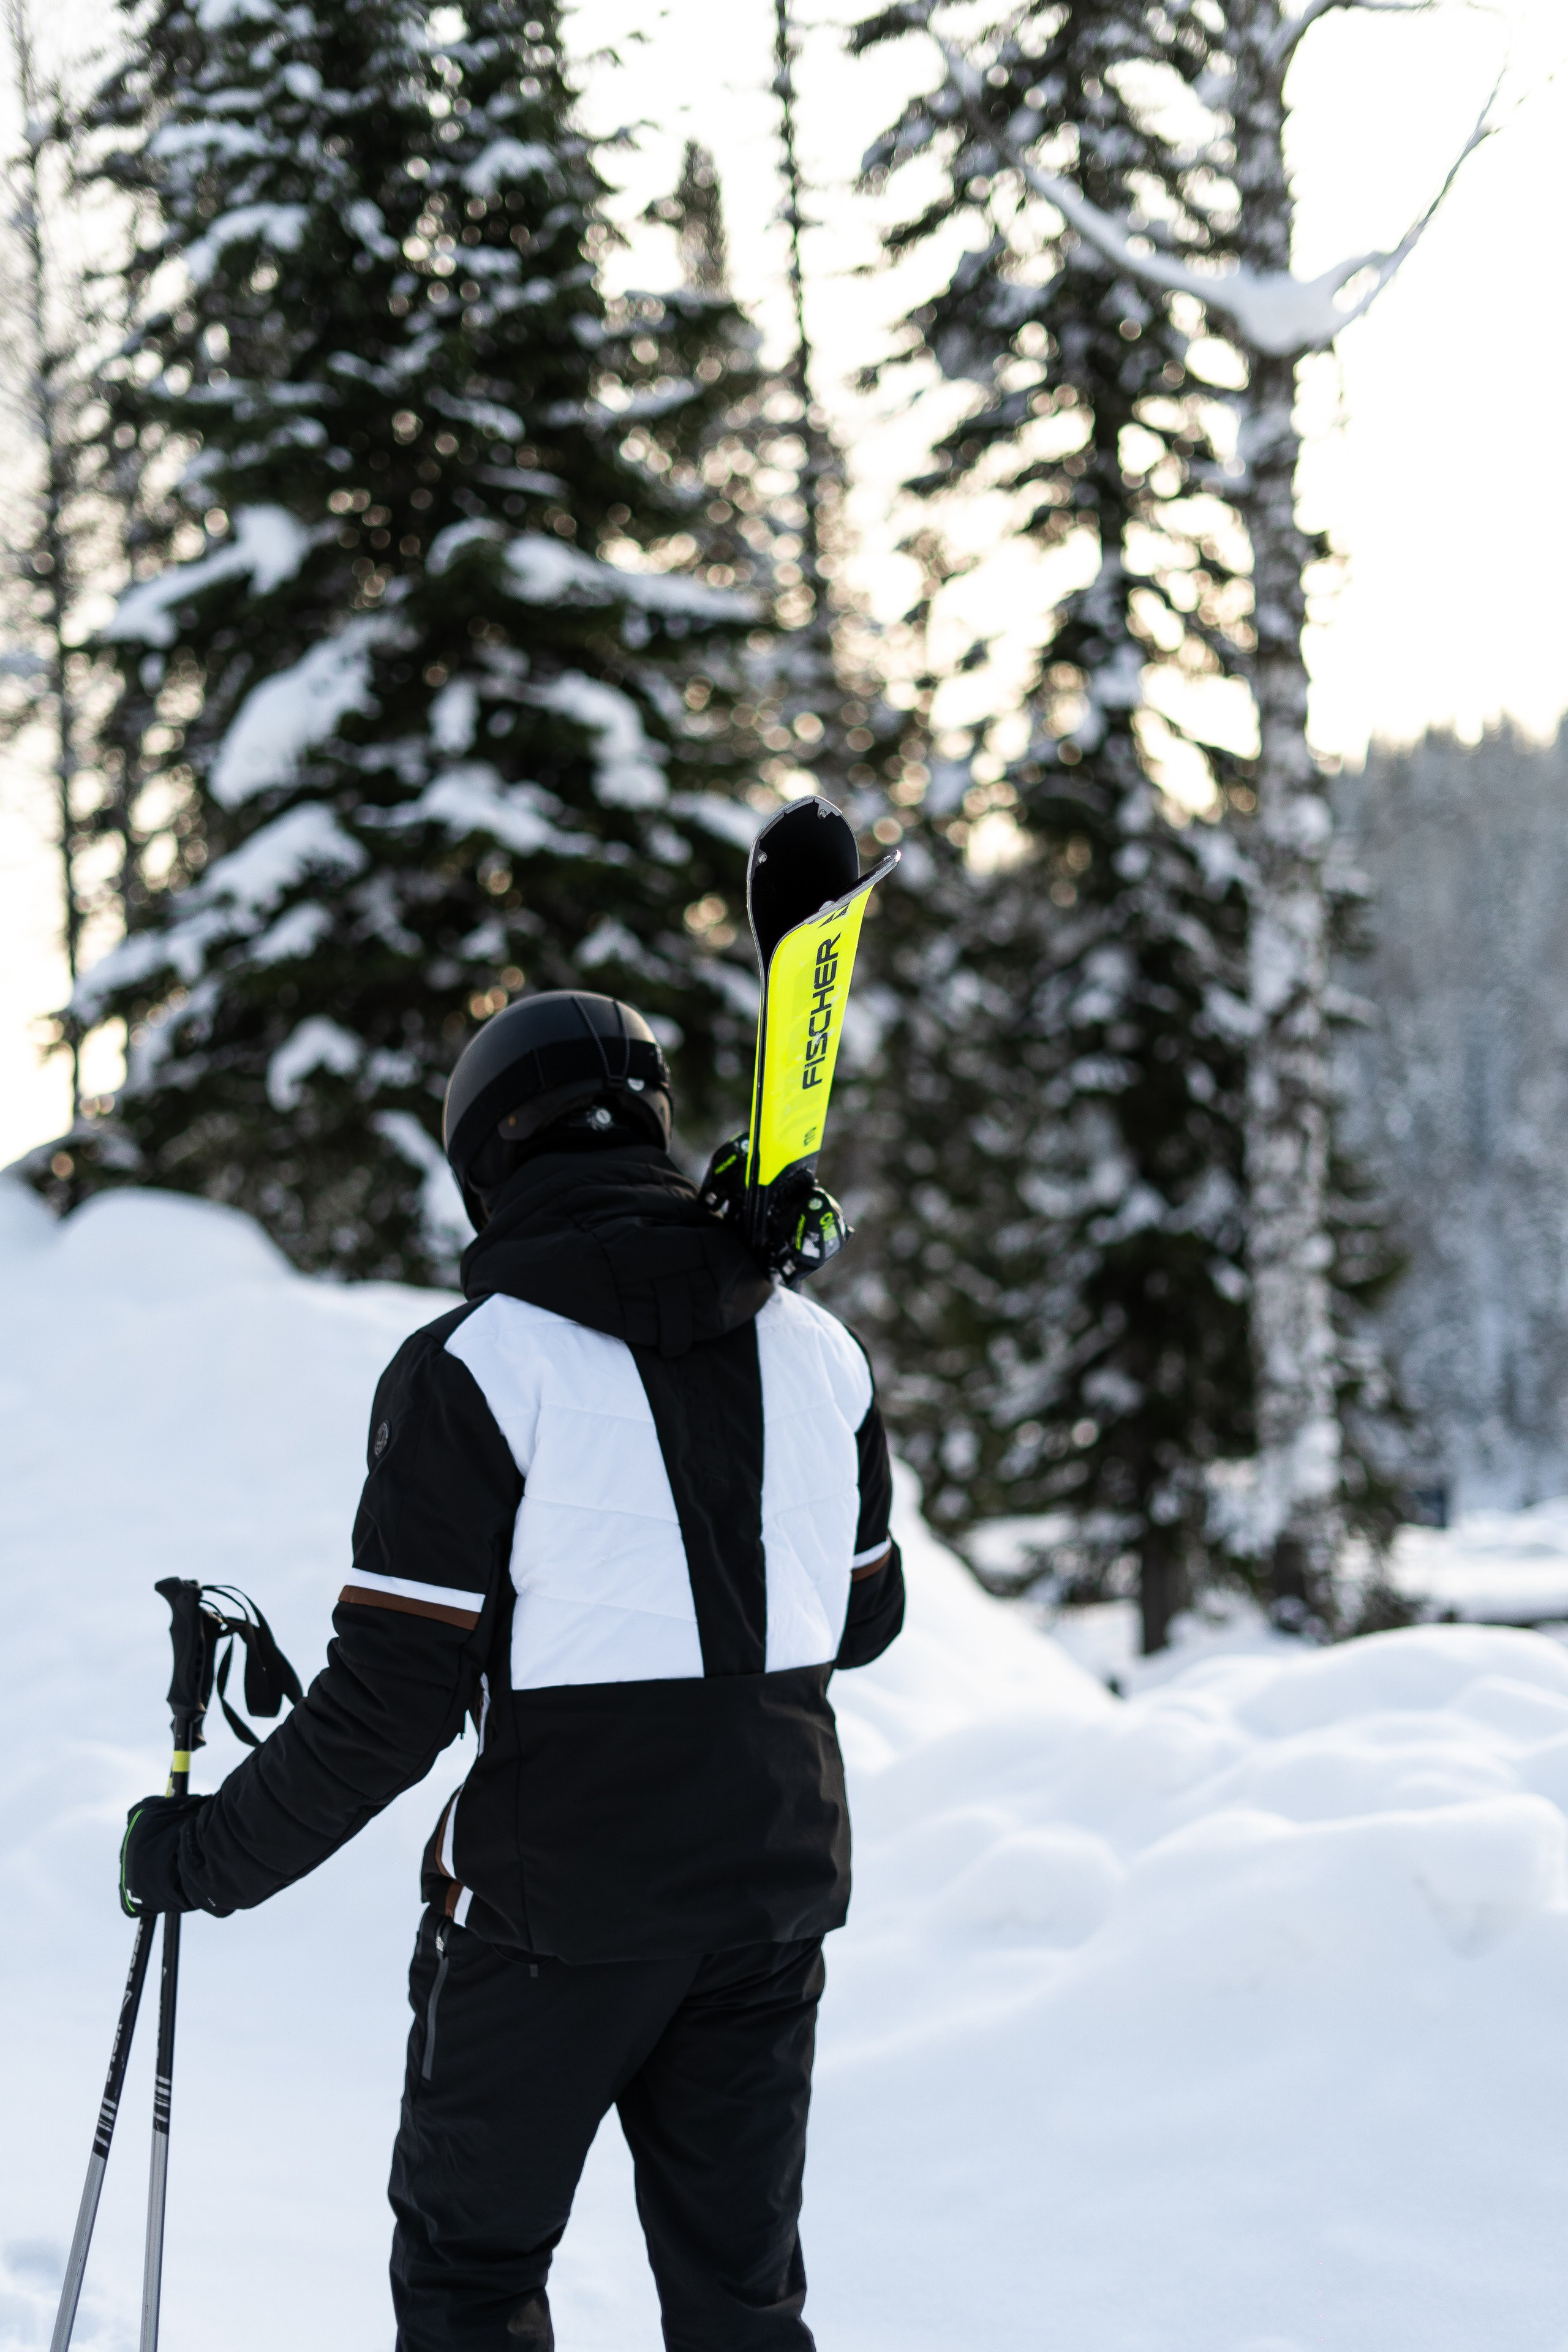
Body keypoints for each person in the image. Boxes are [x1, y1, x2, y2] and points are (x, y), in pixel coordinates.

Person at [119, 989, 905, 2352]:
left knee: (470, 2282)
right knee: (741, 2300)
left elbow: (389, 1710)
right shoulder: (819, 1348)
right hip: (769, 1902)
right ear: (652, 1123)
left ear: (485, 1159)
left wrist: (202, 1858)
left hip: (555, 1920)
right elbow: (863, 1618)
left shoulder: (473, 1371)